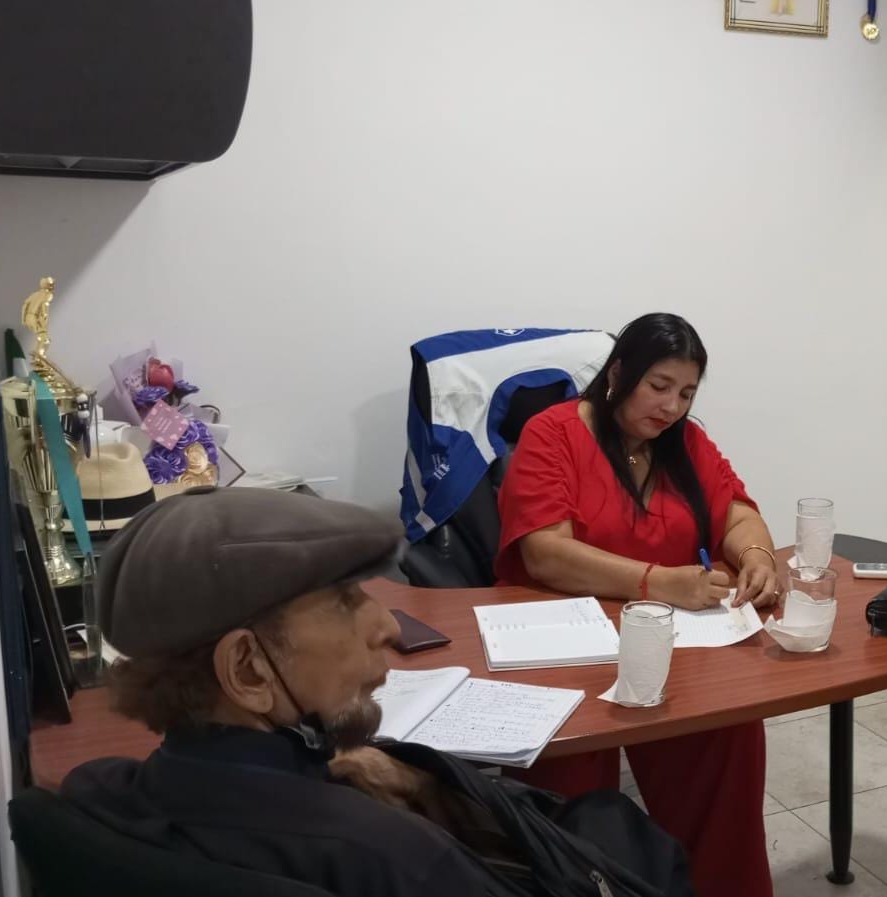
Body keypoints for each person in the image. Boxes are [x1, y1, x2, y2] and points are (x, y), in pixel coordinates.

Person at [59, 486, 691, 897]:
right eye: (344, 601)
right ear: (248, 671)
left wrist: (409, 780)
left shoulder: (97, 795)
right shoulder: (396, 859)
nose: (387, 627)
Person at [496, 313, 778, 897]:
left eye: (687, 393)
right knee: (573, 791)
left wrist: (757, 556)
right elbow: (544, 553)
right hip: (568, 646)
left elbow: (737, 513)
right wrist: (657, 582)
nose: (671, 407)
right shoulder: (553, 433)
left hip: (675, 642)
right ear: (618, 372)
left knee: (729, 732)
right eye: (658, 386)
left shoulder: (686, 443)